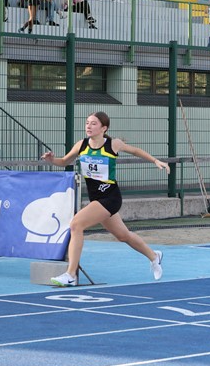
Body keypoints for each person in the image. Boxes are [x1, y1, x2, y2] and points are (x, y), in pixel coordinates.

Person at [41, 111, 169, 287]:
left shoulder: (113, 144)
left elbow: (135, 151)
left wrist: (155, 161)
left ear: (104, 128)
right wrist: (52, 160)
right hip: (96, 199)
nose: (89, 126)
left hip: (110, 197)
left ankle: (70, 274)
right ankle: (154, 256)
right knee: (123, 236)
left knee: (76, 225)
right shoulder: (81, 145)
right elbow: (64, 161)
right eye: (87, 123)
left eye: (93, 123)